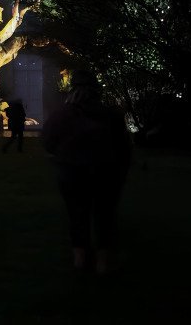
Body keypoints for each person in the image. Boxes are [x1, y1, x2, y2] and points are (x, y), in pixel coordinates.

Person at [42, 69, 132, 274]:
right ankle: (103, 261)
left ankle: (80, 259)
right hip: (106, 172)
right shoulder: (111, 114)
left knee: (77, 214)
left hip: (72, 173)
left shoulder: (61, 115)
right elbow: (124, 147)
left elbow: (48, 142)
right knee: (105, 215)